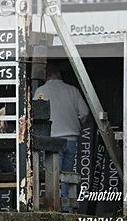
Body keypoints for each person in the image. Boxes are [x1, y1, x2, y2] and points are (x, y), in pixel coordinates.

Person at [33, 62, 90, 212]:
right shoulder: (73, 90)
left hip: (51, 138)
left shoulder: (41, 91)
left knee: (53, 175)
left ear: (47, 75)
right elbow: (84, 113)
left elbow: (36, 114)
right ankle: (66, 206)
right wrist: (76, 123)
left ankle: (55, 206)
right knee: (68, 174)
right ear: (59, 74)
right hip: (71, 138)